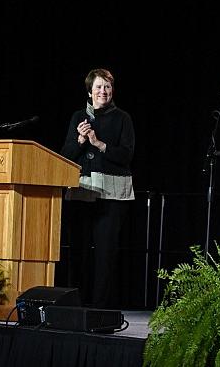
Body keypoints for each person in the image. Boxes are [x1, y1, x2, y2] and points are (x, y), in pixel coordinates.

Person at [60, 68, 135, 309]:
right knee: (78, 251)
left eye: (108, 87)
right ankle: (75, 305)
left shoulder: (123, 118)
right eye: (99, 87)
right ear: (90, 92)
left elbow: (126, 155)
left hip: (111, 195)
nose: (103, 91)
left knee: (105, 254)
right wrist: (81, 141)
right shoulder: (78, 117)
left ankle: (100, 308)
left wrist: (99, 144)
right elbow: (66, 155)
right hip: (82, 191)